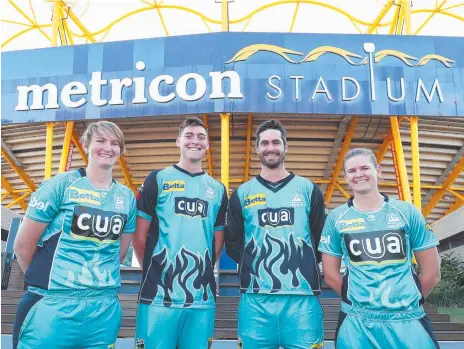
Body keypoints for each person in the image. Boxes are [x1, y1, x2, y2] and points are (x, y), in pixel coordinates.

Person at [13, 121, 136, 349]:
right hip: (51, 306)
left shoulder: (127, 197)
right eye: (100, 140)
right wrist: (48, 282)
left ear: (121, 150)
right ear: (86, 144)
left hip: (103, 309)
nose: (108, 147)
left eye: (115, 143)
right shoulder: (61, 185)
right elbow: (22, 245)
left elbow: (118, 253)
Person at [319, 148, 441, 349]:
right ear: (345, 177)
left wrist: (406, 304)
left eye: (365, 168)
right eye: (352, 171)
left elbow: (432, 273)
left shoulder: (407, 212)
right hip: (357, 324)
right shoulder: (336, 218)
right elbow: (331, 275)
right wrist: (359, 301)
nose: (359, 174)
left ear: (378, 170)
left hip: (408, 322)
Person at [224, 119, 326, 349]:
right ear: (257, 149)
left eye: (276, 142)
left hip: (302, 298)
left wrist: (299, 263)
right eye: (265, 143)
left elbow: (321, 240)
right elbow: (233, 243)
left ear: (285, 146)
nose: (271, 147)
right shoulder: (242, 193)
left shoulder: (308, 189)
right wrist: (256, 264)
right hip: (255, 298)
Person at [133, 116, 228, 349]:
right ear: (178, 141)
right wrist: (156, 270)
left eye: (201, 137)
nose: (194, 141)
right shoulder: (158, 178)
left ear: (207, 145)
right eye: (189, 136)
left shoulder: (217, 189)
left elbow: (217, 243)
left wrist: (199, 269)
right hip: (157, 297)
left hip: (201, 299)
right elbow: (138, 236)